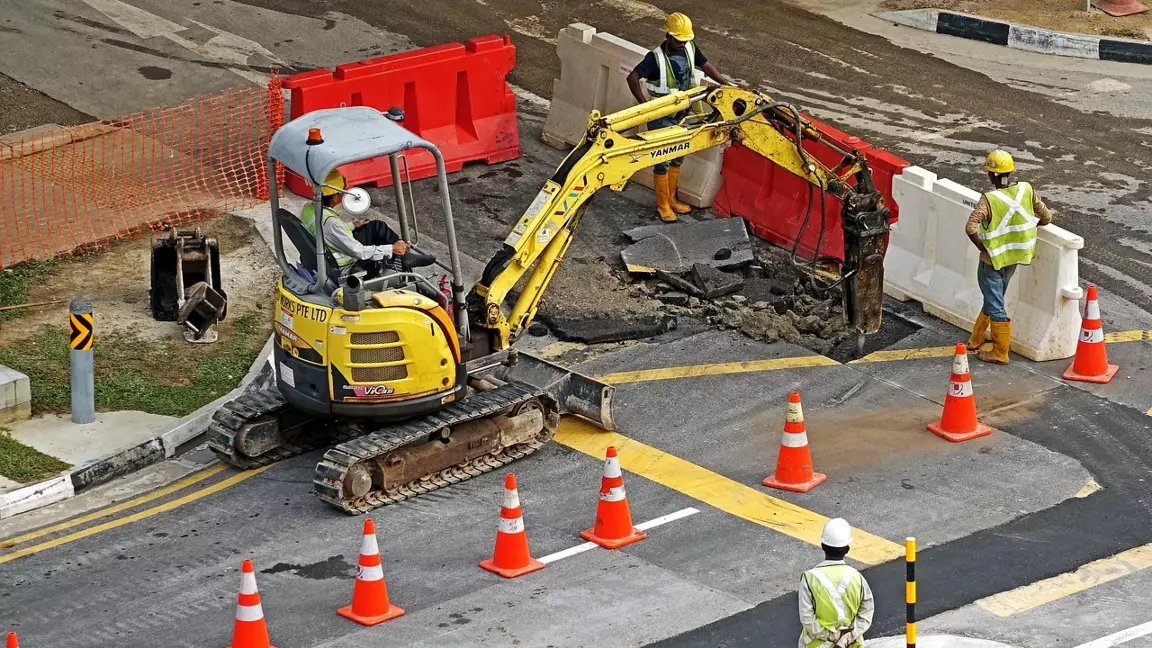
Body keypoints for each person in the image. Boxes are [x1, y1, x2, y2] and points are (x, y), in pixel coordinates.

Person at [626, 12, 735, 223]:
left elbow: (707, 67)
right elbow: (632, 78)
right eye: (678, 40)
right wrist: (645, 106)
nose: (683, 44)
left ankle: (672, 200)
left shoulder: (689, 47)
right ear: (668, 36)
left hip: (683, 115)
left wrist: (727, 85)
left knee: (677, 157)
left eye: (685, 40)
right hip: (662, 118)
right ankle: (663, 206)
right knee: (662, 161)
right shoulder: (655, 58)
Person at [966, 149, 1053, 364]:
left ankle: (1000, 352)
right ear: (1011, 172)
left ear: (991, 175)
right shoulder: (1026, 190)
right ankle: (976, 338)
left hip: (992, 260)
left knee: (995, 302)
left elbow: (970, 227)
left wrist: (983, 248)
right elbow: (1046, 217)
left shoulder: (989, 200)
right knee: (994, 297)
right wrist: (1031, 227)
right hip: (1014, 257)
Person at [299, 170, 431, 277]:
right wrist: (391, 248)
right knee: (381, 244)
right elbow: (358, 251)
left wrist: (352, 225)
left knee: (376, 226)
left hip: (325, 252)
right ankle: (401, 254)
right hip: (345, 265)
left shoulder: (308, 209)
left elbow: (326, 232)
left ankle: (405, 256)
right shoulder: (331, 222)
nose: (343, 195)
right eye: (341, 192)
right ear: (334, 197)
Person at [798, 518, 874, 648]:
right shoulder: (857, 577)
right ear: (847, 549)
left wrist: (832, 636)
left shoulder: (809, 578)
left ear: (823, 546)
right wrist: (846, 638)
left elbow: (807, 618)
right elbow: (866, 613)